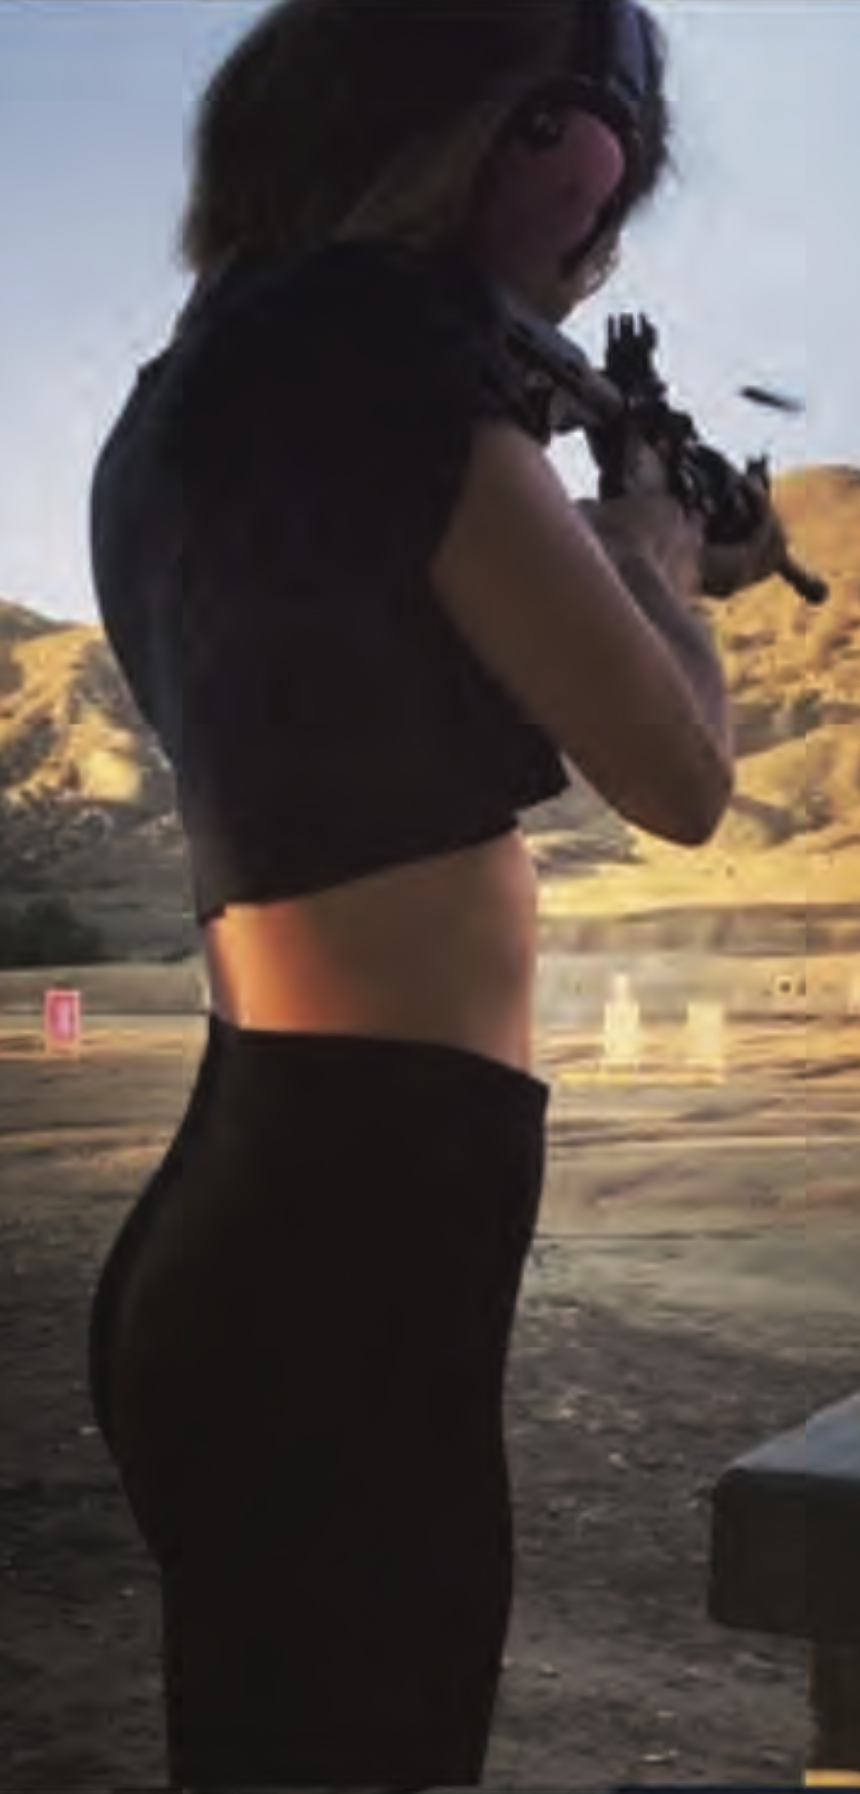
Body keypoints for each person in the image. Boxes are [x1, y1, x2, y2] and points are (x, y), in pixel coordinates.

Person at [86, 1, 789, 1786]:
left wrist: (618, 522)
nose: (593, 240)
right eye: (599, 177)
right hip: (354, 1219)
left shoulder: (199, 402)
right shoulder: (375, 358)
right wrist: (660, 556)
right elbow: (680, 777)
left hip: (276, 1191)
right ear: (533, 135)